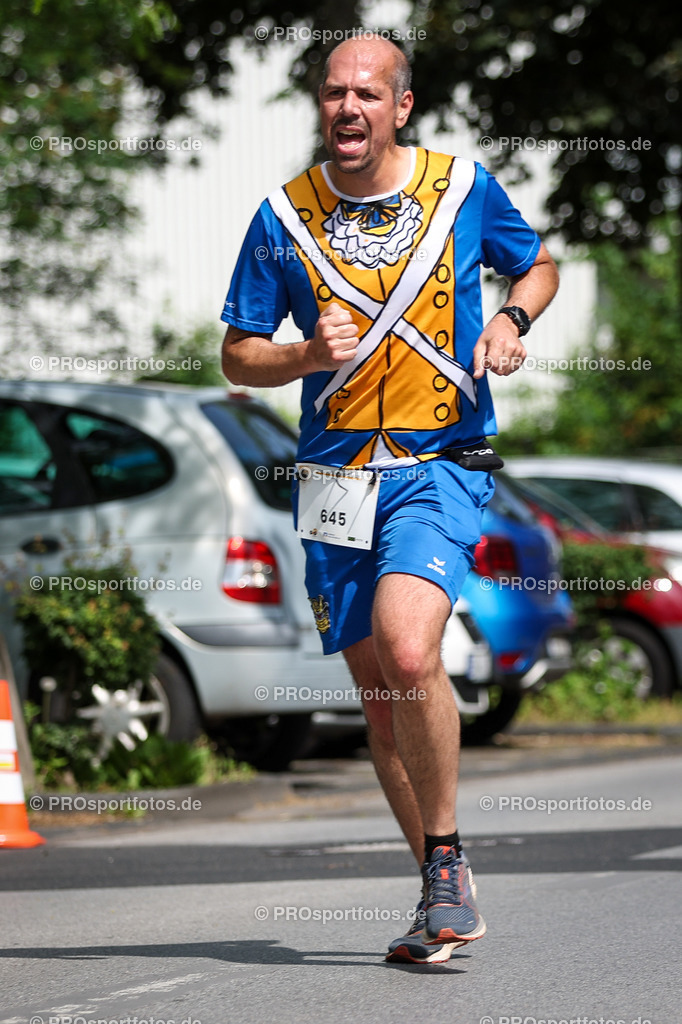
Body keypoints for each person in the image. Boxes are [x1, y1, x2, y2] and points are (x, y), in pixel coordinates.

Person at [220, 35, 558, 964]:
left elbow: (538, 265)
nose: (349, 108)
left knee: (411, 649)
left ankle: (446, 858)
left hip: (437, 459)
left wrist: (510, 317)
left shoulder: (460, 189)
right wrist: (302, 354)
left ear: (401, 106)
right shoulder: (283, 217)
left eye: (368, 93)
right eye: (334, 93)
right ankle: (438, 895)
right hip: (334, 479)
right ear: (320, 105)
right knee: (379, 700)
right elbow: (237, 354)